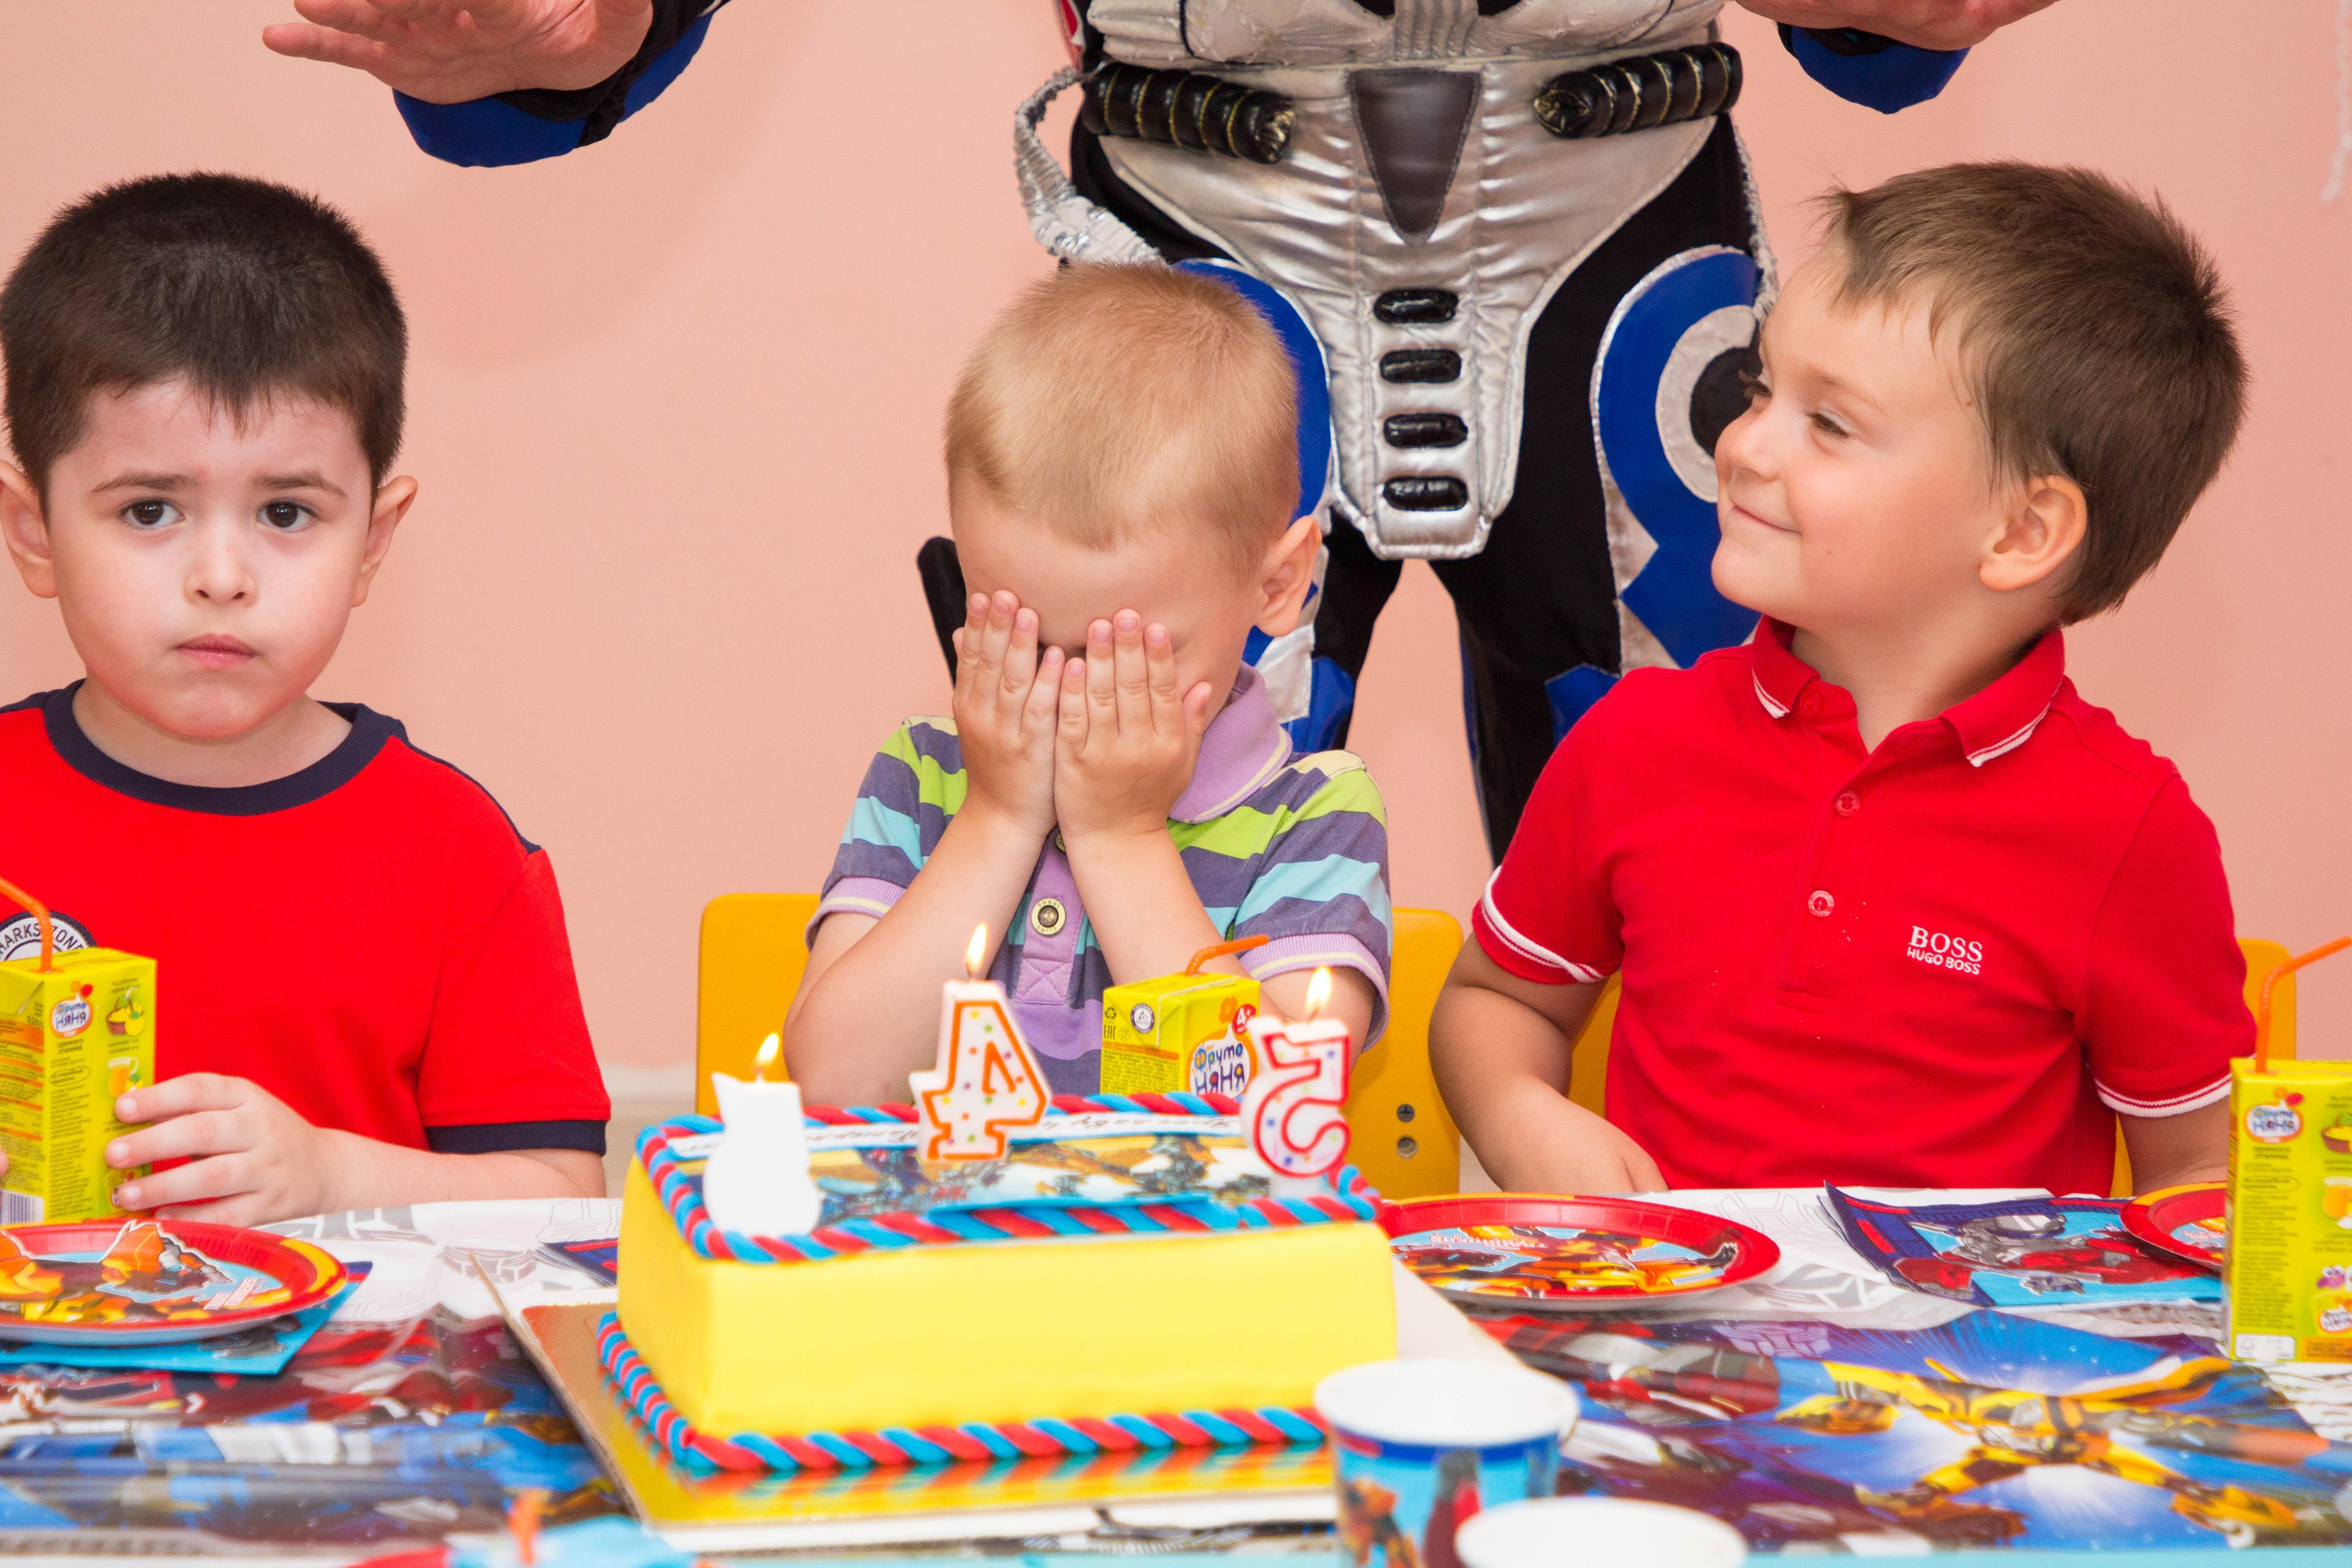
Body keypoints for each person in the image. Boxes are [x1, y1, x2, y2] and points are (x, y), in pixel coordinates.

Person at [260, 0, 2052, 863]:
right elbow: (565, 26)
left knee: (1719, 839)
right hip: (1211, 227)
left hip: (1614, 213)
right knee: (1139, 804)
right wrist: (565, 33)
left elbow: (1889, 25)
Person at [1430, 163, 2247, 1198]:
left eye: (1830, 424)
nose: (1740, 446)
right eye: (1759, 388)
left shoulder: (2131, 834)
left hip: (1976, 1363)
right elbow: (1498, 1002)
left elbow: (2203, 1179)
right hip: (1662, 1338)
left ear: (2021, 532)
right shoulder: (1636, 739)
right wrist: (1522, 1119)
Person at [0, 174, 610, 1224]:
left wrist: (333, 1177)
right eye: (151, 509)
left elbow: (560, 1199)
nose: (222, 575)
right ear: (34, 532)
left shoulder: (455, 853)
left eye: (286, 511)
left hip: (360, 1381)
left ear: (372, 542)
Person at [785, 264, 1390, 1105]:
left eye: (1128, 655)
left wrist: (1122, 839)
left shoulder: (1315, 816)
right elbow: (836, 1083)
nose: (1072, 692)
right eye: (1025, 638)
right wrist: (996, 817)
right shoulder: (923, 777)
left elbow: (1270, 1118)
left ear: (1278, 584)